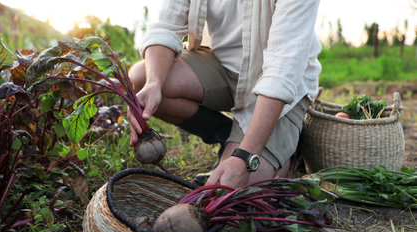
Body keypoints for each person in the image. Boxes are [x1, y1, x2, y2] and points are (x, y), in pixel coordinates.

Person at [128, 0, 322, 189]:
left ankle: (282, 147)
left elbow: (282, 73)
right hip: (222, 66)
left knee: (233, 190)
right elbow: (166, 27)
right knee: (142, 77)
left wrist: (246, 155)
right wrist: (154, 83)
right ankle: (228, 135)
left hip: (281, 88)